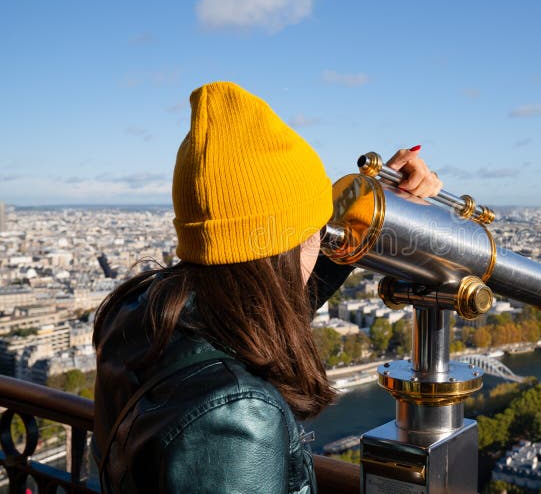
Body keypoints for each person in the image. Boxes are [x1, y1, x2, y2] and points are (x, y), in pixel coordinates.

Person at [91, 81, 442, 493]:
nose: (324, 243)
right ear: (283, 248)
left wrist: (377, 198)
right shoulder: (235, 411)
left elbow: (277, 297)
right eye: (318, 234)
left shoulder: (145, 313)